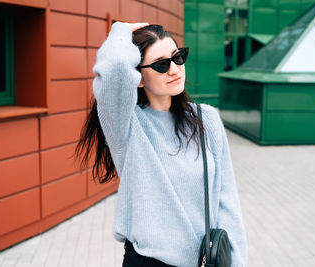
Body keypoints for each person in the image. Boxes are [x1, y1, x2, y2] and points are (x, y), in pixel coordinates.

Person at [75, 21, 247, 267]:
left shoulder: (206, 119)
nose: (175, 69)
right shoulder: (127, 125)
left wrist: (237, 262)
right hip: (148, 261)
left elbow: (226, 199)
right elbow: (115, 68)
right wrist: (120, 30)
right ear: (138, 78)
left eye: (177, 57)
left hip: (204, 261)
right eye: (161, 65)